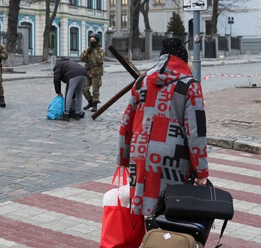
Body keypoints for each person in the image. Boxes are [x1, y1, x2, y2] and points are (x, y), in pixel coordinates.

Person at [117, 37, 209, 216]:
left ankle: (150, 240)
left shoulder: (142, 81)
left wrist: (123, 156)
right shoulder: (190, 85)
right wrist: (201, 170)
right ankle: (164, 242)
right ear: (183, 59)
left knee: (146, 208)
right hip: (173, 157)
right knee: (170, 209)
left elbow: (126, 120)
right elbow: (196, 131)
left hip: (140, 152)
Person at [80, 33, 104, 112]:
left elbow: (100, 61)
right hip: (88, 71)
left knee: (95, 89)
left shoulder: (101, 50)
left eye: (94, 39)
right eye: (91, 39)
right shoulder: (88, 49)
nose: (92, 41)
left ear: (97, 40)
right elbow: (82, 59)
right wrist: (87, 51)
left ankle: (95, 104)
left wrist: (95, 52)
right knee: (84, 88)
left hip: (96, 72)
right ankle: (90, 102)